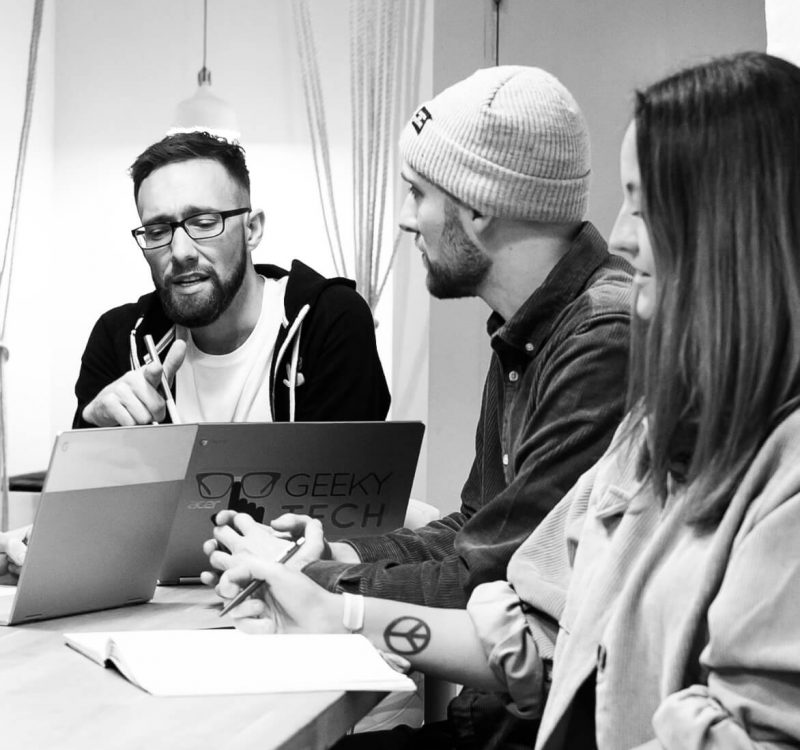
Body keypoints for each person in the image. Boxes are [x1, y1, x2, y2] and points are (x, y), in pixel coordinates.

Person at [215, 51, 800, 748]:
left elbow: (496, 583)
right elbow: (532, 622)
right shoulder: (645, 426)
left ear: (734, 230)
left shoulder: (621, 355)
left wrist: (335, 583)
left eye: (646, 205)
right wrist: (332, 603)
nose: (619, 235)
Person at [206, 66, 633, 747]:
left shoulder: (603, 343)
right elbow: (476, 528)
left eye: (416, 192)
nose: (405, 217)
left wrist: (323, 586)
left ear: (479, 206)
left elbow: (491, 574)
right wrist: (335, 549)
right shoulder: (527, 328)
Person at [74, 131, 390, 429]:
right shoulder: (117, 339)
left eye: (204, 223)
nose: (181, 252)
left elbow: (349, 480)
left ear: (251, 230)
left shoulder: (328, 322)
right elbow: (82, 483)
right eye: (158, 231)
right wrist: (92, 425)